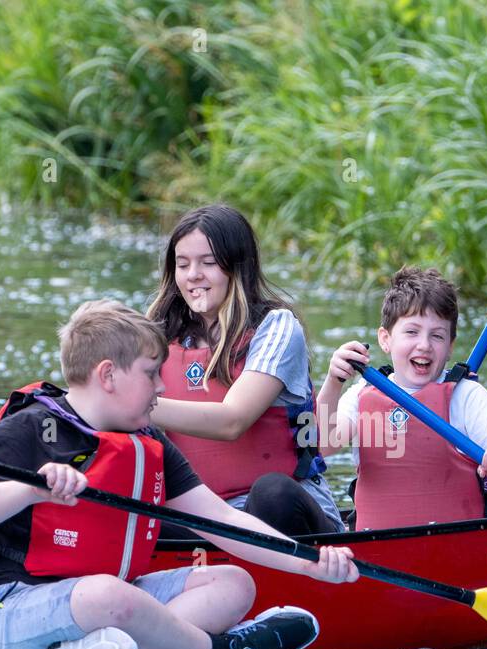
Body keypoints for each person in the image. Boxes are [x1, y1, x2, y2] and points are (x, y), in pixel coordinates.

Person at [0, 299, 358, 649]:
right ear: (107, 375)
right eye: (150, 373)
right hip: (6, 614)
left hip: (109, 605)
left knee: (234, 583)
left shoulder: (149, 444)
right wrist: (28, 491)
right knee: (109, 594)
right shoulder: (31, 428)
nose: (162, 387)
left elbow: (225, 520)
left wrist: (308, 560)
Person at [146, 204, 344, 536]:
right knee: (127, 509)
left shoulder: (276, 327)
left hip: (279, 516)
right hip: (204, 515)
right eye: (183, 265)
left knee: (273, 493)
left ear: (238, 269)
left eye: (208, 263)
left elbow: (232, 421)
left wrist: (134, 404)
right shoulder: (156, 334)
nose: (193, 274)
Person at [317, 267, 487, 531]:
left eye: (437, 335)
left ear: (450, 346)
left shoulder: (466, 397)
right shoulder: (361, 394)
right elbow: (323, 446)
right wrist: (333, 382)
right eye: (411, 332)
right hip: (377, 552)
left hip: (460, 550)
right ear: (385, 339)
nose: (424, 345)